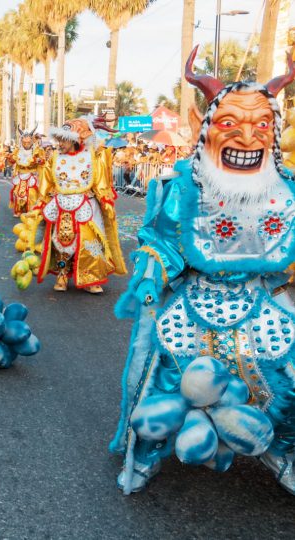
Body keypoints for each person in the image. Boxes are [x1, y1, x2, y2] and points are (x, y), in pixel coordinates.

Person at [111, 47, 295, 495]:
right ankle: (147, 455)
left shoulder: (285, 190)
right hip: (193, 304)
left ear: (274, 134)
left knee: (286, 381)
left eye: (261, 126)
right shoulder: (185, 188)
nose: (248, 138)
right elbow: (161, 240)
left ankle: (279, 449)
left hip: (260, 305)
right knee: (163, 378)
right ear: (206, 129)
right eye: (231, 124)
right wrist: (152, 278)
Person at [12, 115, 126, 293]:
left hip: (86, 205)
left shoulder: (91, 157)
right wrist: (40, 204)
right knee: (61, 242)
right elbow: (47, 182)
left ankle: (91, 277)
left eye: (64, 140)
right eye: (59, 140)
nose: (60, 144)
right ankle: (62, 275)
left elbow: (99, 182)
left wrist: (106, 200)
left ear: (75, 140)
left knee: (89, 242)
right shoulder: (55, 157)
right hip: (61, 204)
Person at [9, 127, 45, 217]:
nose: (26, 144)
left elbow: (43, 160)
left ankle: (31, 210)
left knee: (31, 193)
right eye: (24, 142)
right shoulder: (18, 150)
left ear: (31, 141)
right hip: (21, 174)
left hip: (32, 174)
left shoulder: (37, 150)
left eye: (28, 142)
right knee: (18, 193)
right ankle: (19, 210)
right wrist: (11, 158)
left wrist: (38, 160)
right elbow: (12, 160)